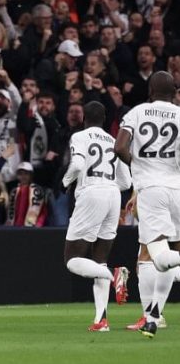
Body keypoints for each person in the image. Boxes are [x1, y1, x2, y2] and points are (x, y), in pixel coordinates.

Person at [115, 71, 180, 338]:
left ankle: (152, 315)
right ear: (174, 92)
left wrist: (140, 167)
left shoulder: (137, 112)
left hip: (152, 191)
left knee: (159, 257)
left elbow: (119, 147)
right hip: (177, 189)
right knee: (167, 256)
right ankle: (153, 317)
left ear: (150, 91)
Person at [61, 101, 132, 332]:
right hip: (113, 195)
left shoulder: (80, 136)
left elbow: (77, 164)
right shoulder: (113, 141)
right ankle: (101, 320)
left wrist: (65, 182)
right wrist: (107, 186)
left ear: (84, 118)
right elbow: (126, 182)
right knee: (99, 260)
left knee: (72, 259)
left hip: (91, 193)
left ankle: (114, 276)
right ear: (104, 119)